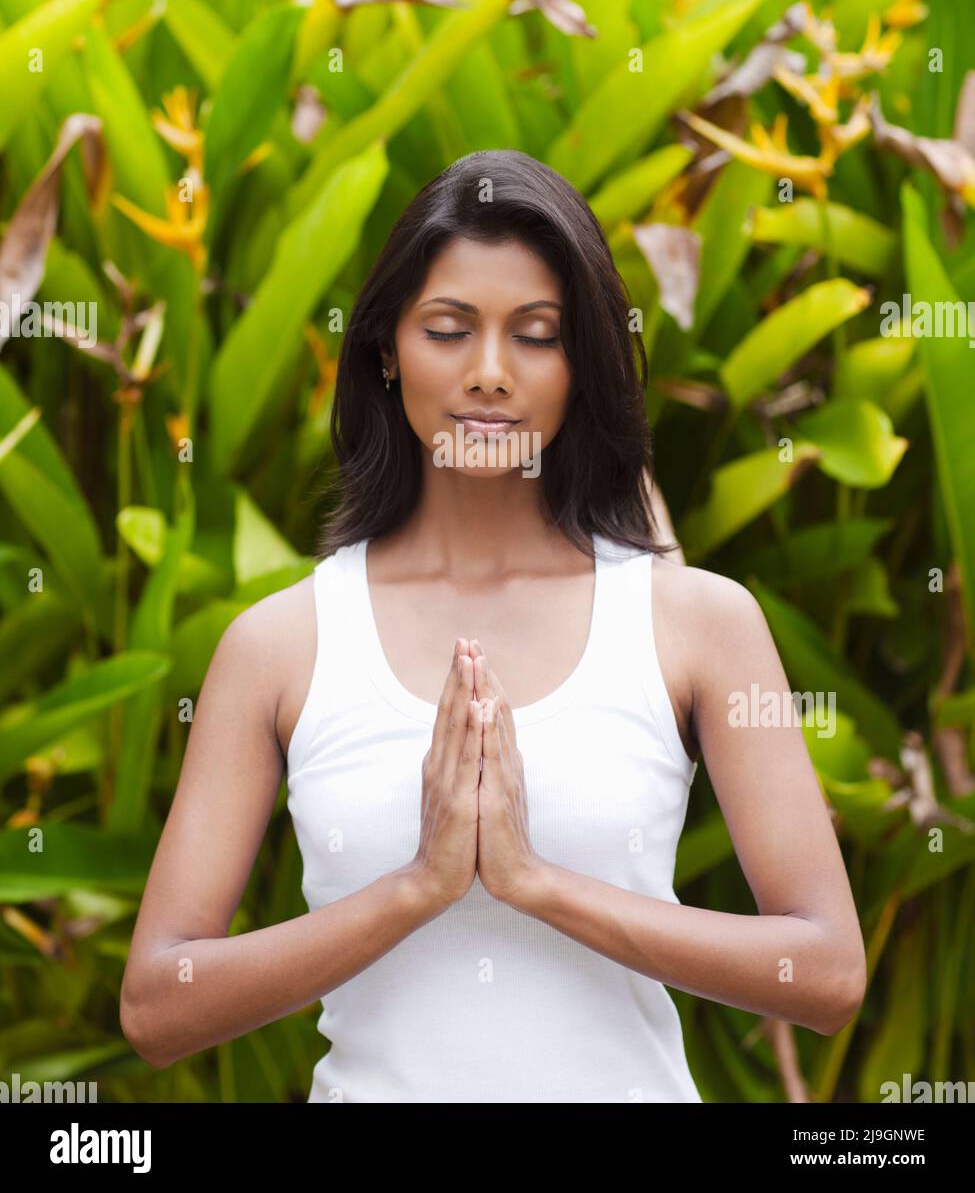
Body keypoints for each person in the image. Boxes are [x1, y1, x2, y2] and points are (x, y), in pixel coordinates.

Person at [120, 149, 867, 1102]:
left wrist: (533, 883)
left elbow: (828, 974)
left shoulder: (697, 623)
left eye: (537, 334)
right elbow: (156, 1005)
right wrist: (417, 887)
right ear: (387, 349)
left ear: (582, 361)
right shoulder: (281, 644)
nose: (487, 373)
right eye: (447, 329)